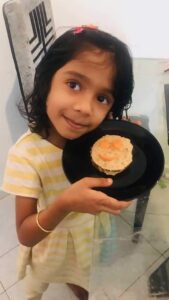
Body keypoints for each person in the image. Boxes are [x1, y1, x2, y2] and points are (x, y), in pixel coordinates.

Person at [2, 26, 134, 300]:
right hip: (50, 245)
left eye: (102, 98)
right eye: (74, 84)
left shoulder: (96, 139)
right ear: (46, 80)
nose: (85, 108)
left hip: (88, 239)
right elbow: (25, 234)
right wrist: (65, 203)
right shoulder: (26, 155)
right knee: (35, 288)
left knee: (87, 280)